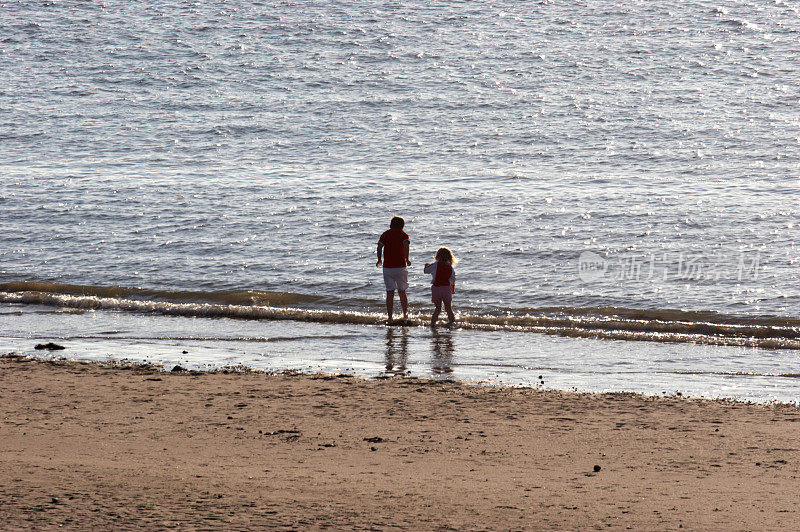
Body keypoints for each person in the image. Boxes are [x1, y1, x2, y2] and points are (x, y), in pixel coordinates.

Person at [376, 216, 411, 324]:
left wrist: (379, 259)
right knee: (402, 292)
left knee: (390, 293)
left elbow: (379, 247)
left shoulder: (385, 234)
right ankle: (405, 316)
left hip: (387, 268)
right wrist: (407, 258)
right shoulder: (403, 235)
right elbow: (406, 246)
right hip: (400, 267)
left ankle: (390, 318)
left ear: (391, 225)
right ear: (402, 226)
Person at [423, 247, 457, 327]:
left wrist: (426, 266)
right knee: (448, 308)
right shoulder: (450, 268)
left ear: (437, 256)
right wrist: (452, 289)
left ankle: (432, 324)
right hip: (446, 289)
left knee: (438, 308)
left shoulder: (435, 265)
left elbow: (426, 271)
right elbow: (452, 280)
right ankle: (451, 322)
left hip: (437, 289)